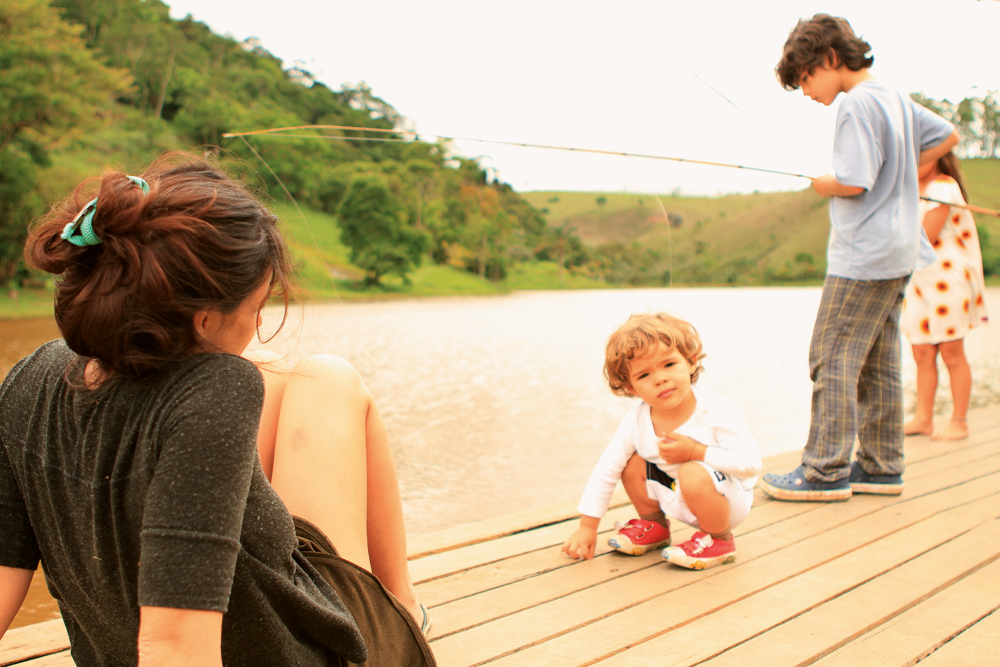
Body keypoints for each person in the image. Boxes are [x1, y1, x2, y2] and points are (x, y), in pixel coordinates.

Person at [0, 154, 435, 667]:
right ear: (204, 319)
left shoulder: (32, 375)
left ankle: (402, 605)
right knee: (330, 378)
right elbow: (175, 644)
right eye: (256, 309)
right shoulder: (216, 390)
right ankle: (400, 608)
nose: (256, 325)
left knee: (284, 371)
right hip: (318, 654)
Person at [760, 14, 960, 502]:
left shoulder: (854, 107)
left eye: (806, 77)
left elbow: (852, 181)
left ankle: (825, 470)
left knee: (831, 355)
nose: (807, 91)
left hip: (863, 254)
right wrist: (904, 174)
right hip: (900, 249)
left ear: (830, 59)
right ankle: (881, 465)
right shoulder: (894, 96)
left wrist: (823, 183)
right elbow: (947, 136)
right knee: (876, 361)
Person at [561, 313, 761, 571]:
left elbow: (751, 465)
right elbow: (606, 470)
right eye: (644, 375)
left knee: (692, 470)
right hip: (678, 493)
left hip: (727, 501)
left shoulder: (717, 412)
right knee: (630, 463)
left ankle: (720, 540)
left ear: (690, 362)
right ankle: (654, 524)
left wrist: (696, 451)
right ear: (631, 387)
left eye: (668, 365)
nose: (660, 379)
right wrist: (587, 527)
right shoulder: (637, 420)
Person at [901, 153, 989, 441]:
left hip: (947, 280)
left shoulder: (943, 186)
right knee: (922, 352)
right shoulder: (914, 190)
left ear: (939, 156)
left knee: (951, 352)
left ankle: (959, 421)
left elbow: (928, 234)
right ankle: (923, 419)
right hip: (918, 281)